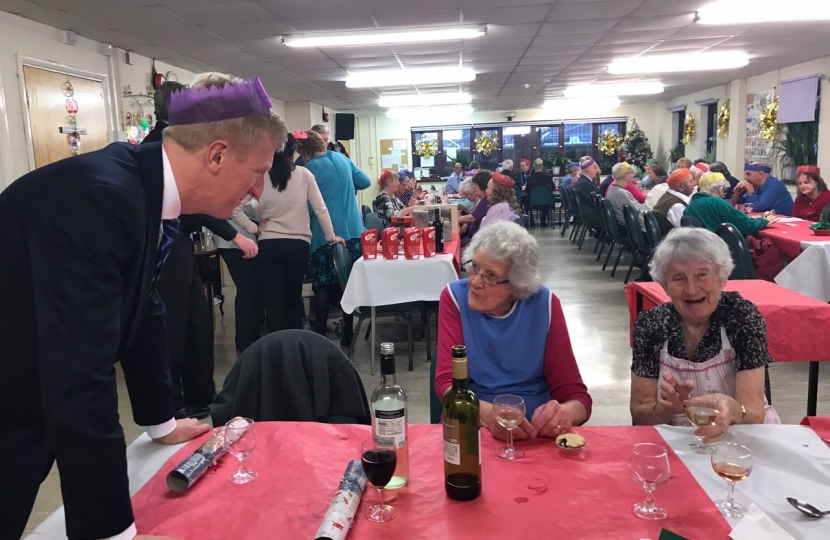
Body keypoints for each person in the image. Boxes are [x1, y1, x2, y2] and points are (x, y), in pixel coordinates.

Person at [0, 72, 286, 540]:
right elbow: (80, 377)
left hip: (32, 388)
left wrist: (161, 420)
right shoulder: (100, 197)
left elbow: (144, 307)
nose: (258, 189)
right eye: (257, 171)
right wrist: (113, 531)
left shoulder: (147, 189)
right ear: (216, 154)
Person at [143, 80, 260, 416]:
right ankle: (173, 402)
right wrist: (235, 233)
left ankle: (201, 396)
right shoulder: (159, 146)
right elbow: (196, 200)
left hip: (181, 243)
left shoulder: (178, 143)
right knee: (172, 326)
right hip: (162, 244)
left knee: (197, 323)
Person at [435, 221, 592, 440]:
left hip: (534, 430)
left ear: (518, 288)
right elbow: (446, 383)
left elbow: (577, 396)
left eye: (491, 275)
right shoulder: (454, 298)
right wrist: (489, 416)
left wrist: (564, 414)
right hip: (472, 421)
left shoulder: (545, 305)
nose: (475, 282)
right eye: (475, 267)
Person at [630, 228, 781, 439]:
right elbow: (639, 413)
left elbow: (753, 413)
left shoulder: (741, 317)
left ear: (722, 276)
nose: (692, 289)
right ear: (664, 285)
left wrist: (731, 407)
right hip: (677, 439)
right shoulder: (651, 324)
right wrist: (668, 409)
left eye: (702, 274)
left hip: (740, 435)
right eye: (678, 278)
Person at [235, 132, 346, 334]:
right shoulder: (304, 175)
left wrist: (253, 228)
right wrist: (331, 237)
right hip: (298, 245)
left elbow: (234, 208)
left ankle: (277, 349)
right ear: (293, 152)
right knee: (293, 299)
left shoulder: (261, 178)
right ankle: (295, 347)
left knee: (273, 301)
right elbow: (320, 209)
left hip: (269, 244)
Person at [299, 130, 371, 346]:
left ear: (305, 152)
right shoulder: (343, 159)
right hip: (354, 231)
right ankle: (348, 333)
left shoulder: (307, 169)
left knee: (323, 284)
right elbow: (365, 181)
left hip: (326, 234)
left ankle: (320, 335)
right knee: (346, 284)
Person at [219, 197, 264, 352]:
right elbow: (237, 209)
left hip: (235, 239)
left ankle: (245, 338)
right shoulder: (237, 182)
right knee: (248, 291)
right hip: (236, 241)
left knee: (248, 290)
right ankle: (248, 341)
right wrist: (257, 226)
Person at [684, 172, 769, 236]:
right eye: (724, 190)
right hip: (722, 249)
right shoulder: (716, 202)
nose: (724, 194)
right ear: (717, 189)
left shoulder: (690, 206)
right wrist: (765, 220)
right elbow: (747, 225)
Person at [653, 168, 694, 235]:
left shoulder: (668, 197)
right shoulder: (676, 206)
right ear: (680, 186)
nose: (694, 184)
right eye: (691, 181)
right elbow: (689, 233)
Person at [606, 162, 643, 231]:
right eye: (631, 172)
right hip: (630, 230)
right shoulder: (621, 193)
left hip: (623, 226)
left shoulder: (614, 189)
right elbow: (637, 210)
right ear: (624, 176)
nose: (634, 175)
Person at [459, 171, 490, 247]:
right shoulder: (483, 199)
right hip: (475, 236)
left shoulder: (486, 200)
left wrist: (451, 219)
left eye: (476, 185)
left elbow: (471, 218)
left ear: (482, 186)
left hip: (477, 238)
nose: (473, 187)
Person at [525, 158, 555, 226]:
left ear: (534, 167)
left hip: (533, 203)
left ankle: (531, 221)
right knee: (547, 197)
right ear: (542, 167)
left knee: (526, 199)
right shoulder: (549, 178)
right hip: (547, 203)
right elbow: (552, 188)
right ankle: (543, 220)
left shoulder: (530, 179)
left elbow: (527, 190)